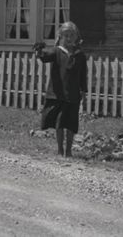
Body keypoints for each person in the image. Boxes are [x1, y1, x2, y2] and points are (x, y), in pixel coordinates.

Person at [34, 21, 87, 158]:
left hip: (73, 95)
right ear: (61, 37)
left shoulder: (80, 55)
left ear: (76, 37)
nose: (68, 38)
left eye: (71, 35)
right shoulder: (57, 51)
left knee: (71, 124)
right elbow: (44, 56)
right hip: (58, 94)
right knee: (59, 123)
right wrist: (39, 51)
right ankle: (60, 150)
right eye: (66, 35)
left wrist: (84, 91)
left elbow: (83, 75)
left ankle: (69, 151)